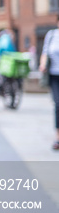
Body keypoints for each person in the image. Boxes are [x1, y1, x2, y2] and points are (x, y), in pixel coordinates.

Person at [39, 16, 59, 150]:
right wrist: (42, 64)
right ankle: (57, 137)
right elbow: (45, 52)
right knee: (58, 104)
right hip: (54, 75)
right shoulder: (51, 35)